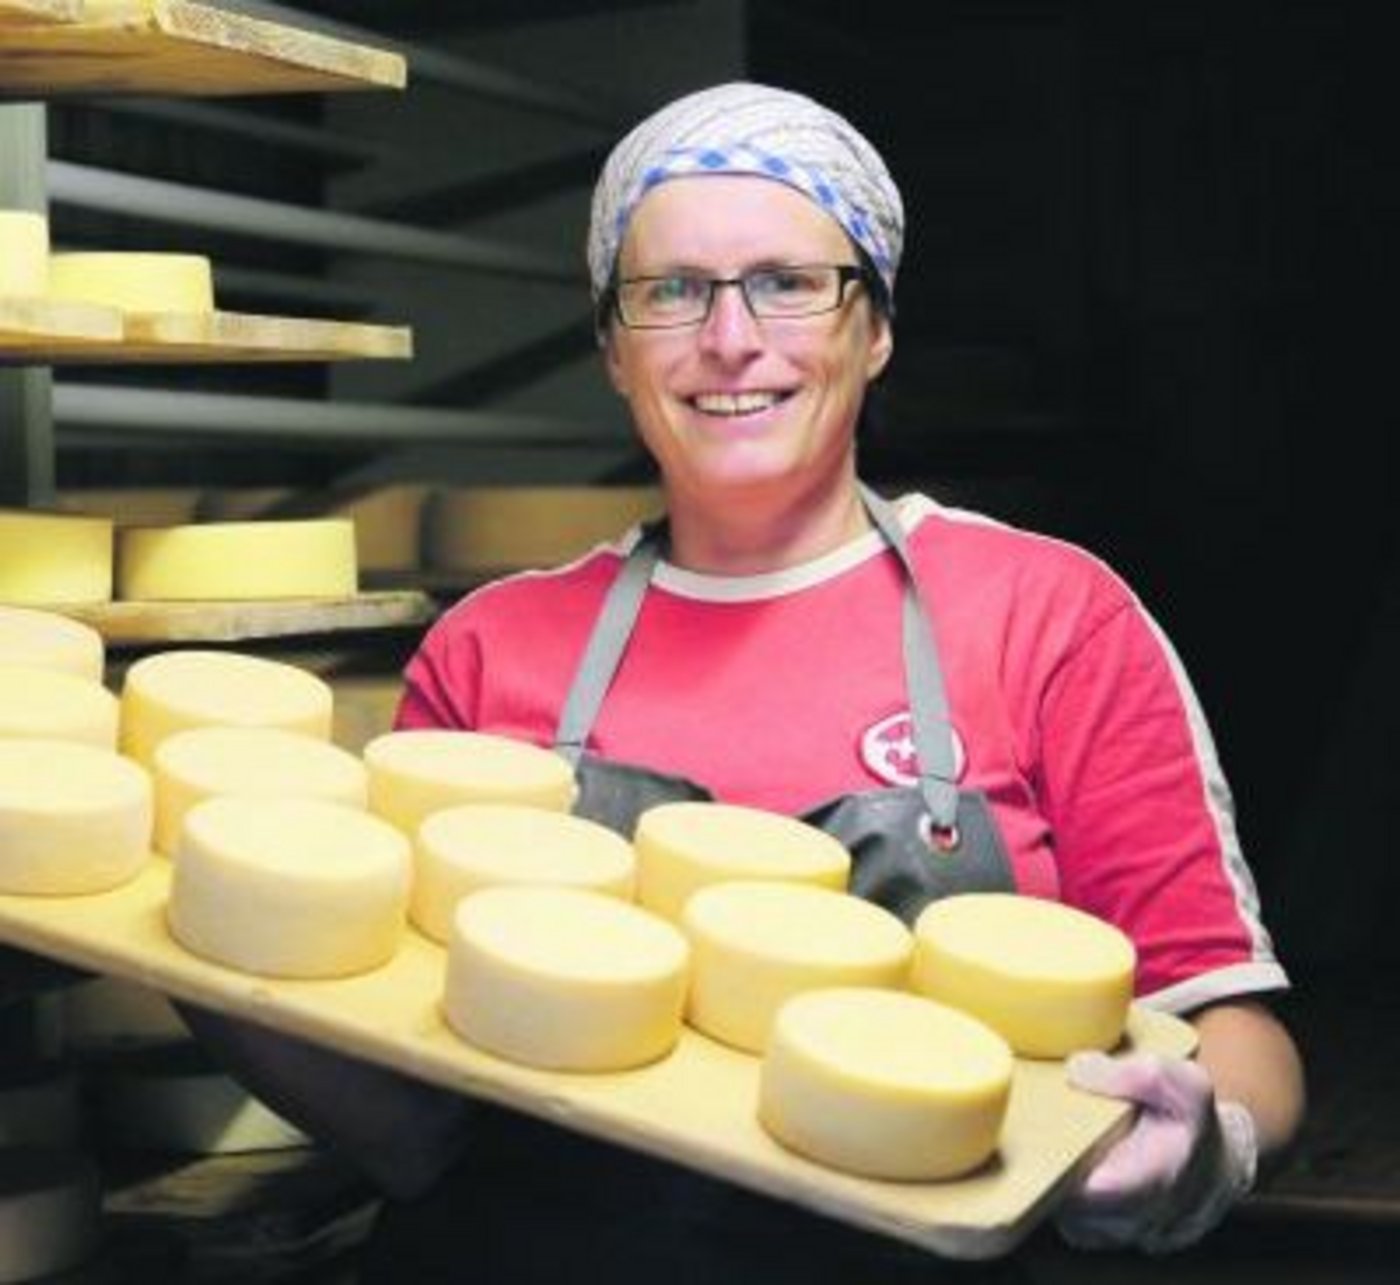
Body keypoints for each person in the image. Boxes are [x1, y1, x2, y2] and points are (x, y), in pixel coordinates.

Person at [183, 81, 1304, 1277]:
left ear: (872, 327)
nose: (728, 338)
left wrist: (1207, 1148)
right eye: (669, 292)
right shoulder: (490, 648)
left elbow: (1225, 1021)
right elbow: (422, 1129)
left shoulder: (1047, 615)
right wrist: (194, 944)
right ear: (613, 348)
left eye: (787, 281)